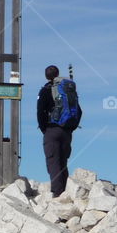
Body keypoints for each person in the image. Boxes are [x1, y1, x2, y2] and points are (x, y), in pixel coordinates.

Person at [37, 65, 82, 197]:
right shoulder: (69, 90)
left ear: (46, 76)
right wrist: (71, 127)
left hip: (52, 129)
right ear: (58, 73)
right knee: (63, 161)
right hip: (67, 131)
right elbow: (79, 111)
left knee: (53, 162)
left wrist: (44, 129)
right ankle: (66, 192)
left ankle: (57, 194)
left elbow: (40, 112)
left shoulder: (46, 90)